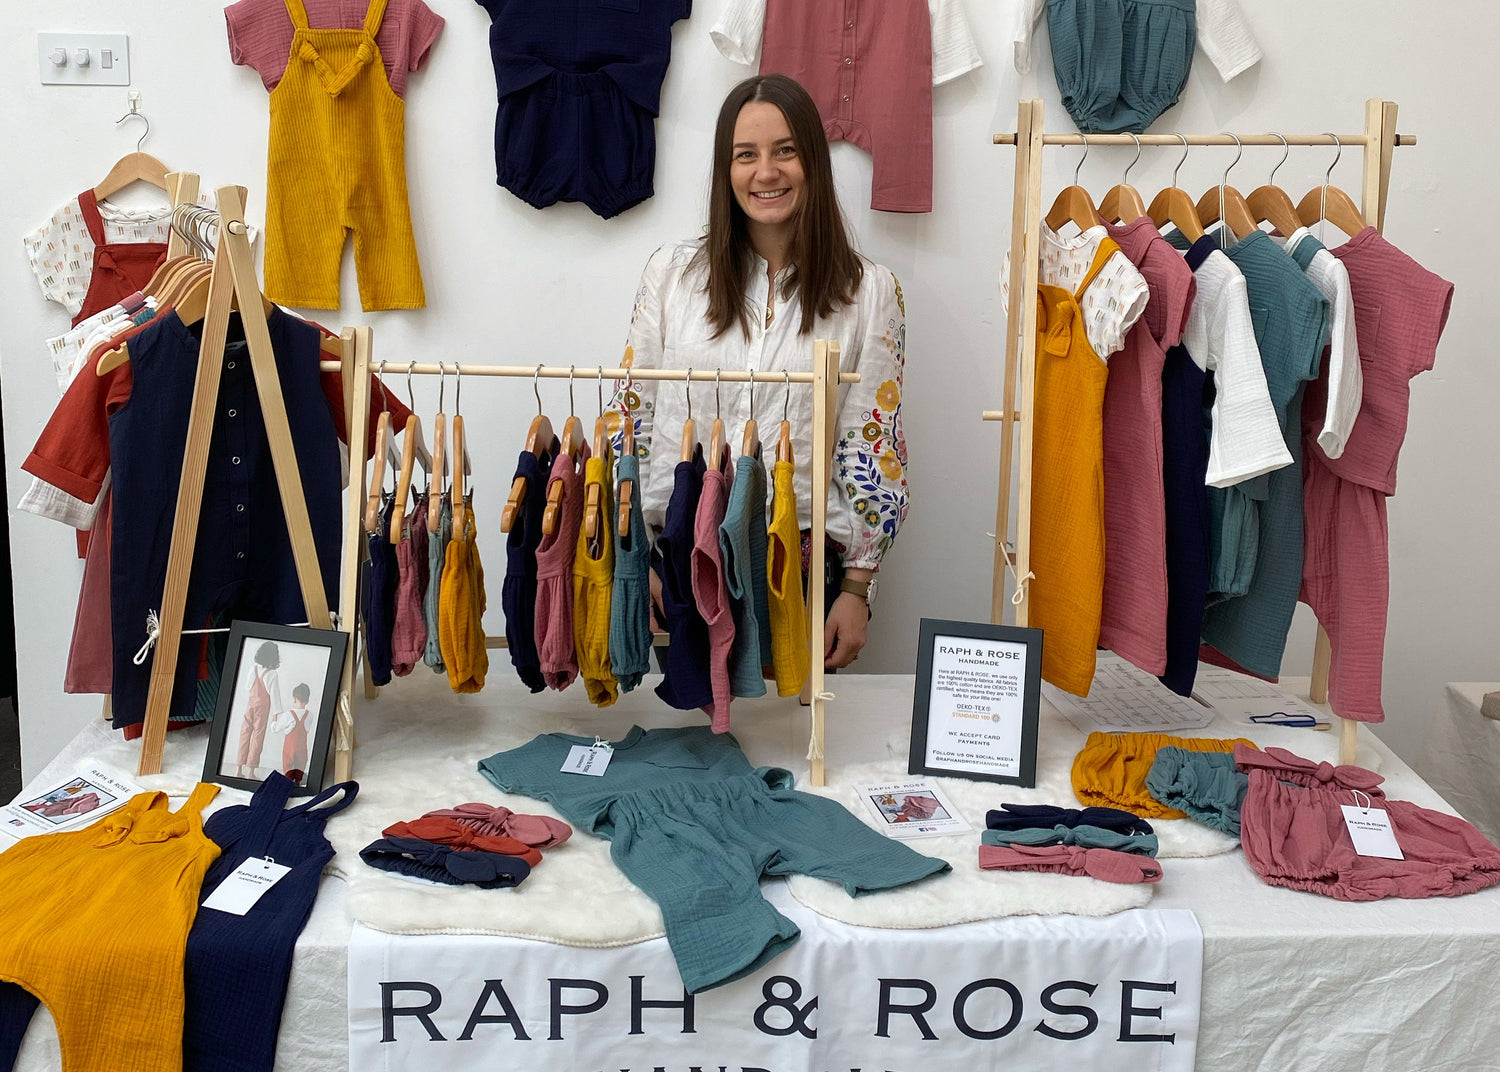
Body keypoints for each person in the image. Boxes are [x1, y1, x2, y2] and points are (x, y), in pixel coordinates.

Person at [617, 73, 909, 669]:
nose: (765, 172)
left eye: (785, 151)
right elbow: (632, 418)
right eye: (745, 155)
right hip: (677, 559)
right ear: (726, 170)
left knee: (790, 741)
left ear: (814, 162)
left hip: (798, 570)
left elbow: (873, 446)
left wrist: (857, 589)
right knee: (688, 739)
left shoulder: (870, 291)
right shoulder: (671, 276)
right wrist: (635, 555)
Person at [234, 641, 284, 779]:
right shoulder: (272, 674)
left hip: (250, 705)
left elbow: (247, 687)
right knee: (257, 738)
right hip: (262, 709)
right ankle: (251, 772)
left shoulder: (253, 669)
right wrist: (276, 713)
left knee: (244, 735)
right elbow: (275, 695)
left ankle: (238, 769)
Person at [271, 682, 313, 785]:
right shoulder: (309, 715)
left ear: (294, 698)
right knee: (299, 771)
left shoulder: (288, 715)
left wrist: (274, 720)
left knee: (288, 772)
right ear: (307, 700)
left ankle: (287, 786)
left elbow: (275, 729)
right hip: (302, 750)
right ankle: (298, 784)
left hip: (289, 750)